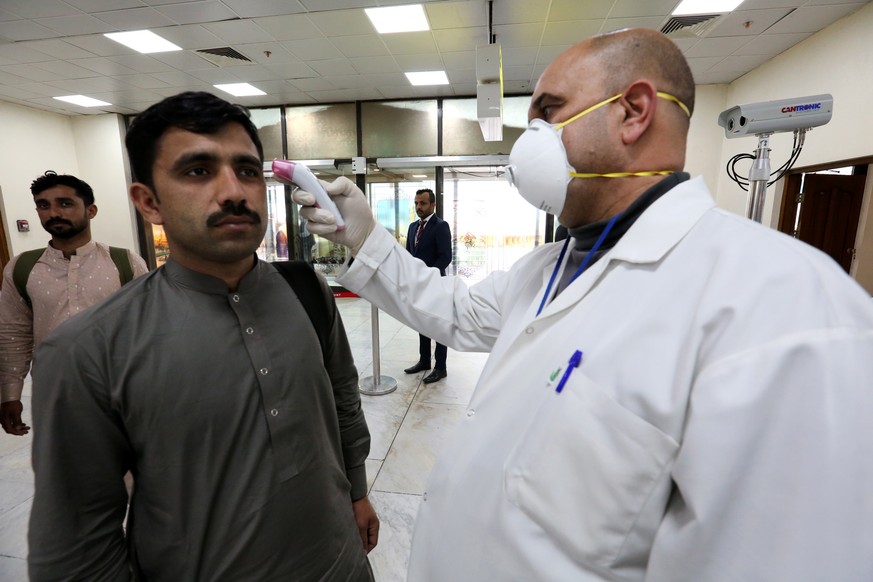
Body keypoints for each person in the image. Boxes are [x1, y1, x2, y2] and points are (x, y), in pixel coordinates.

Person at [291, 28, 873, 581]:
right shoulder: (548, 267)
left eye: (548, 112)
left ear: (633, 110)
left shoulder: (784, 309)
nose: (531, 140)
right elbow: (456, 311)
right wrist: (365, 236)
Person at [28, 91, 378, 581]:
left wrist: (358, 492)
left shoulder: (305, 290)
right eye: (198, 171)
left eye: (247, 170)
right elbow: (76, 546)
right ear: (148, 202)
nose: (233, 191)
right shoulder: (87, 349)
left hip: (341, 564)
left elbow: (343, 398)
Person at [0, 171, 148, 436]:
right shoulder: (23, 268)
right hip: (54, 392)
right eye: (44, 205)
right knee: (67, 468)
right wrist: (10, 393)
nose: (53, 212)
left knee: (127, 471)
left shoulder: (124, 263)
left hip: (120, 391)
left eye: (65, 203)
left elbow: (148, 329)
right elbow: (14, 333)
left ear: (90, 210)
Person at [402, 188, 452, 384]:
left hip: (435, 284)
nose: (418, 207)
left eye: (422, 203)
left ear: (433, 205)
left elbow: (445, 256)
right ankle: (424, 361)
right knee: (422, 322)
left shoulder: (441, 226)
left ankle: (441, 367)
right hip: (418, 286)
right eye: (416, 203)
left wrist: (427, 275)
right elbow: (409, 255)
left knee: (438, 325)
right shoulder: (413, 227)